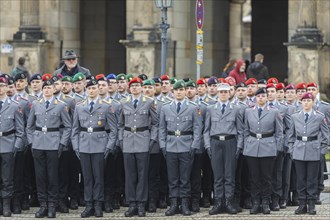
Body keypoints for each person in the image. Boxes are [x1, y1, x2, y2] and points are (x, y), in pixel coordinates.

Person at [26, 77, 71, 218]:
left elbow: (68, 126)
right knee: (40, 176)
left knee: (52, 176)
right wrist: (31, 142)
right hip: (38, 143)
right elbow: (29, 126)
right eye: (45, 88)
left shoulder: (60, 105)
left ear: (53, 89)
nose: (46, 90)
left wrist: (62, 143)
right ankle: (43, 205)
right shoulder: (36, 104)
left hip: (53, 143)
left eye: (49, 88)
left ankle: (52, 205)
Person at [72, 79, 117, 218]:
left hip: (100, 145)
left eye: (94, 88)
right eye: (89, 88)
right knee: (87, 178)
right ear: (86, 90)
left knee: (98, 177)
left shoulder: (106, 106)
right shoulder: (79, 106)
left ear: (98, 89)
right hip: (84, 145)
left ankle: (98, 205)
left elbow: (113, 129)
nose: (91, 91)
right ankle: (88, 205)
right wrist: (76, 147)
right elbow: (75, 129)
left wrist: (109, 147)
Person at [159, 80, 202, 216]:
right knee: (172, 178)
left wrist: (194, 145)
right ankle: (173, 204)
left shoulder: (193, 107)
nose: (179, 92)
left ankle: (184, 204)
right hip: (171, 145)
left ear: (184, 91)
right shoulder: (165, 108)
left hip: (186, 145)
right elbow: (162, 128)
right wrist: (163, 145)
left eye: (181, 90)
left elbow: (197, 128)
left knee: (185, 178)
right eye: (176, 90)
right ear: (173, 92)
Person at [118, 77, 158, 217]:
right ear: (129, 88)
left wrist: (152, 139)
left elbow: (155, 123)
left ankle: (141, 204)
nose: (135, 88)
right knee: (130, 175)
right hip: (128, 141)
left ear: (141, 87)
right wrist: (121, 140)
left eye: (137, 85)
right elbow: (120, 124)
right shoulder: (123, 103)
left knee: (142, 175)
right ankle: (132, 203)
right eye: (132, 86)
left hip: (143, 140)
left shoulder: (149, 102)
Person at [240, 88, 283, 215]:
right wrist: (246, 145)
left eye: (263, 96)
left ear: (267, 97)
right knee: (253, 178)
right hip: (252, 147)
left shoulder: (274, 111)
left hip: (268, 146)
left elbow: (279, 132)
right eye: (258, 96)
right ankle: (255, 202)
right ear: (255, 98)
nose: (261, 98)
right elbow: (246, 130)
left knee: (266, 177)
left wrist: (277, 148)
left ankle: (265, 202)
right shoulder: (248, 111)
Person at [204, 83, 244, 215]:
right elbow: (206, 130)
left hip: (230, 142)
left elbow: (240, 130)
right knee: (218, 176)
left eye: (225, 92)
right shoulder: (210, 108)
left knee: (229, 175)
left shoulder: (236, 109)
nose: (223, 94)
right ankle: (218, 202)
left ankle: (228, 202)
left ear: (229, 93)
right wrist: (208, 145)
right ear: (217, 93)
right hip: (215, 142)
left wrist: (238, 146)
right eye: (220, 92)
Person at [288, 92, 329, 215]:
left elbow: (326, 137)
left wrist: (321, 152)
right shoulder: (295, 116)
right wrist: (292, 150)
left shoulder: (320, 116)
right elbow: (291, 136)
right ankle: (302, 204)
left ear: (312, 102)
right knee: (300, 179)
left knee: (311, 179)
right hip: (299, 150)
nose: (306, 103)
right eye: (304, 101)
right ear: (301, 102)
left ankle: (311, 204)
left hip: (314, 150)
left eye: (308, 101)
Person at [0, 75, 25, 217]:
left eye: (2, 86)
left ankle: (6, 204)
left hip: (8, 144)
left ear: (6, 87)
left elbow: (20, 131)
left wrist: (16, 146)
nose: (0, 89)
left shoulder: (14, 106)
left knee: (7, 178)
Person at [306, 82, 330, 204]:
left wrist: (326, 144)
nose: (311, 91)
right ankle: (307, 194)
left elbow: (328, 126)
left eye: (313, 89)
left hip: (319, 144)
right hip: (306, 144)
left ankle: (317, 194)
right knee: (307, 171)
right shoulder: (303, 105)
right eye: (308, 89)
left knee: (319, 171)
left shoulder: (325, 107)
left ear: (317, 90)